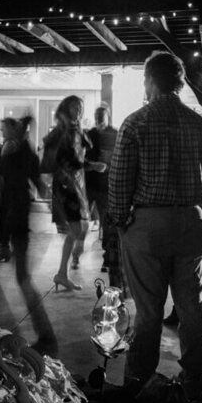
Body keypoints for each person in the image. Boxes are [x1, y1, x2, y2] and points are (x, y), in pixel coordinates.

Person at [108, 51, 202, 402]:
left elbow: (119, 182)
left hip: (148, 224)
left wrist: (120, 222)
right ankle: (194, 381)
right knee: (192, 306)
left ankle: (139, 380)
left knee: (149, 311)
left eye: (145, 80)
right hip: (192, 221)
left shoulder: (136, 122)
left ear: (151, 81)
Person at [0, 115, 58, 355]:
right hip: (13, 215)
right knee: (18, 279)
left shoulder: (18, 154)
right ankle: (34, 335)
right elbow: (36, 182)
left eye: (5, 128)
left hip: (16, 216)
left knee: (21, 279)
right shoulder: (14, 151)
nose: (2, 132)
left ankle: (45, 337)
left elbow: (35, 182)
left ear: (15, 130)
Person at [40, 95, 99, 291]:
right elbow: (70, 160)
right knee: (77, 229)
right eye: (75, 107)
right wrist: (94, 166)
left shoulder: (72, 129)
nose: (79, 111)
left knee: (81, 228)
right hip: (68, 185)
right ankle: (62, 273)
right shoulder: (66, 131)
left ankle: (63, 272)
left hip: (75, 183)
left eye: (81, 107)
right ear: (66, 109)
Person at [86, 104, 122, 284]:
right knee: (82, 222)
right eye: (97, 115)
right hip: (89, 184)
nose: (99, 118)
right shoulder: (89, 134)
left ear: (108, 116)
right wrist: (91, 165)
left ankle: (108, 258)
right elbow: (79, 157)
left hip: (105, 186)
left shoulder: (114, 134)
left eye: (102, 115)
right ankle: (76, 255)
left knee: (107, 224)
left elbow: (118, 158)